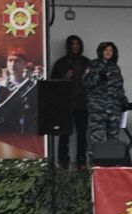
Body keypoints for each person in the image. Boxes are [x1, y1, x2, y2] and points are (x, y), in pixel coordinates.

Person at [84, 41, 127, 159]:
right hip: (98, 109)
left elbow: (119, 86)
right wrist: (100, 76)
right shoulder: (93, 65)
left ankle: (111, 168)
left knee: (113, 140)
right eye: (106, 50)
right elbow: (86, 83)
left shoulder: (115, 68)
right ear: (101, 52)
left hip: (114, 109)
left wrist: (123, 101)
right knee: (95, 140)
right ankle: (92, 168)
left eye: (111, 51)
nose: (108, 53)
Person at [51, 37, 89, 167]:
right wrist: (64, 77)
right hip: (65, 104)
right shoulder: (61, 63)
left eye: (78, 44)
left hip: (82, 104)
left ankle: (82, 161)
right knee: (64, 134)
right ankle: (63, 161)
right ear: (68, 46)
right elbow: (53, 83)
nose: (75, 46)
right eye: (73, 44)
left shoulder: (86, 62)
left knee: (82, 134)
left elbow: (93, 83)